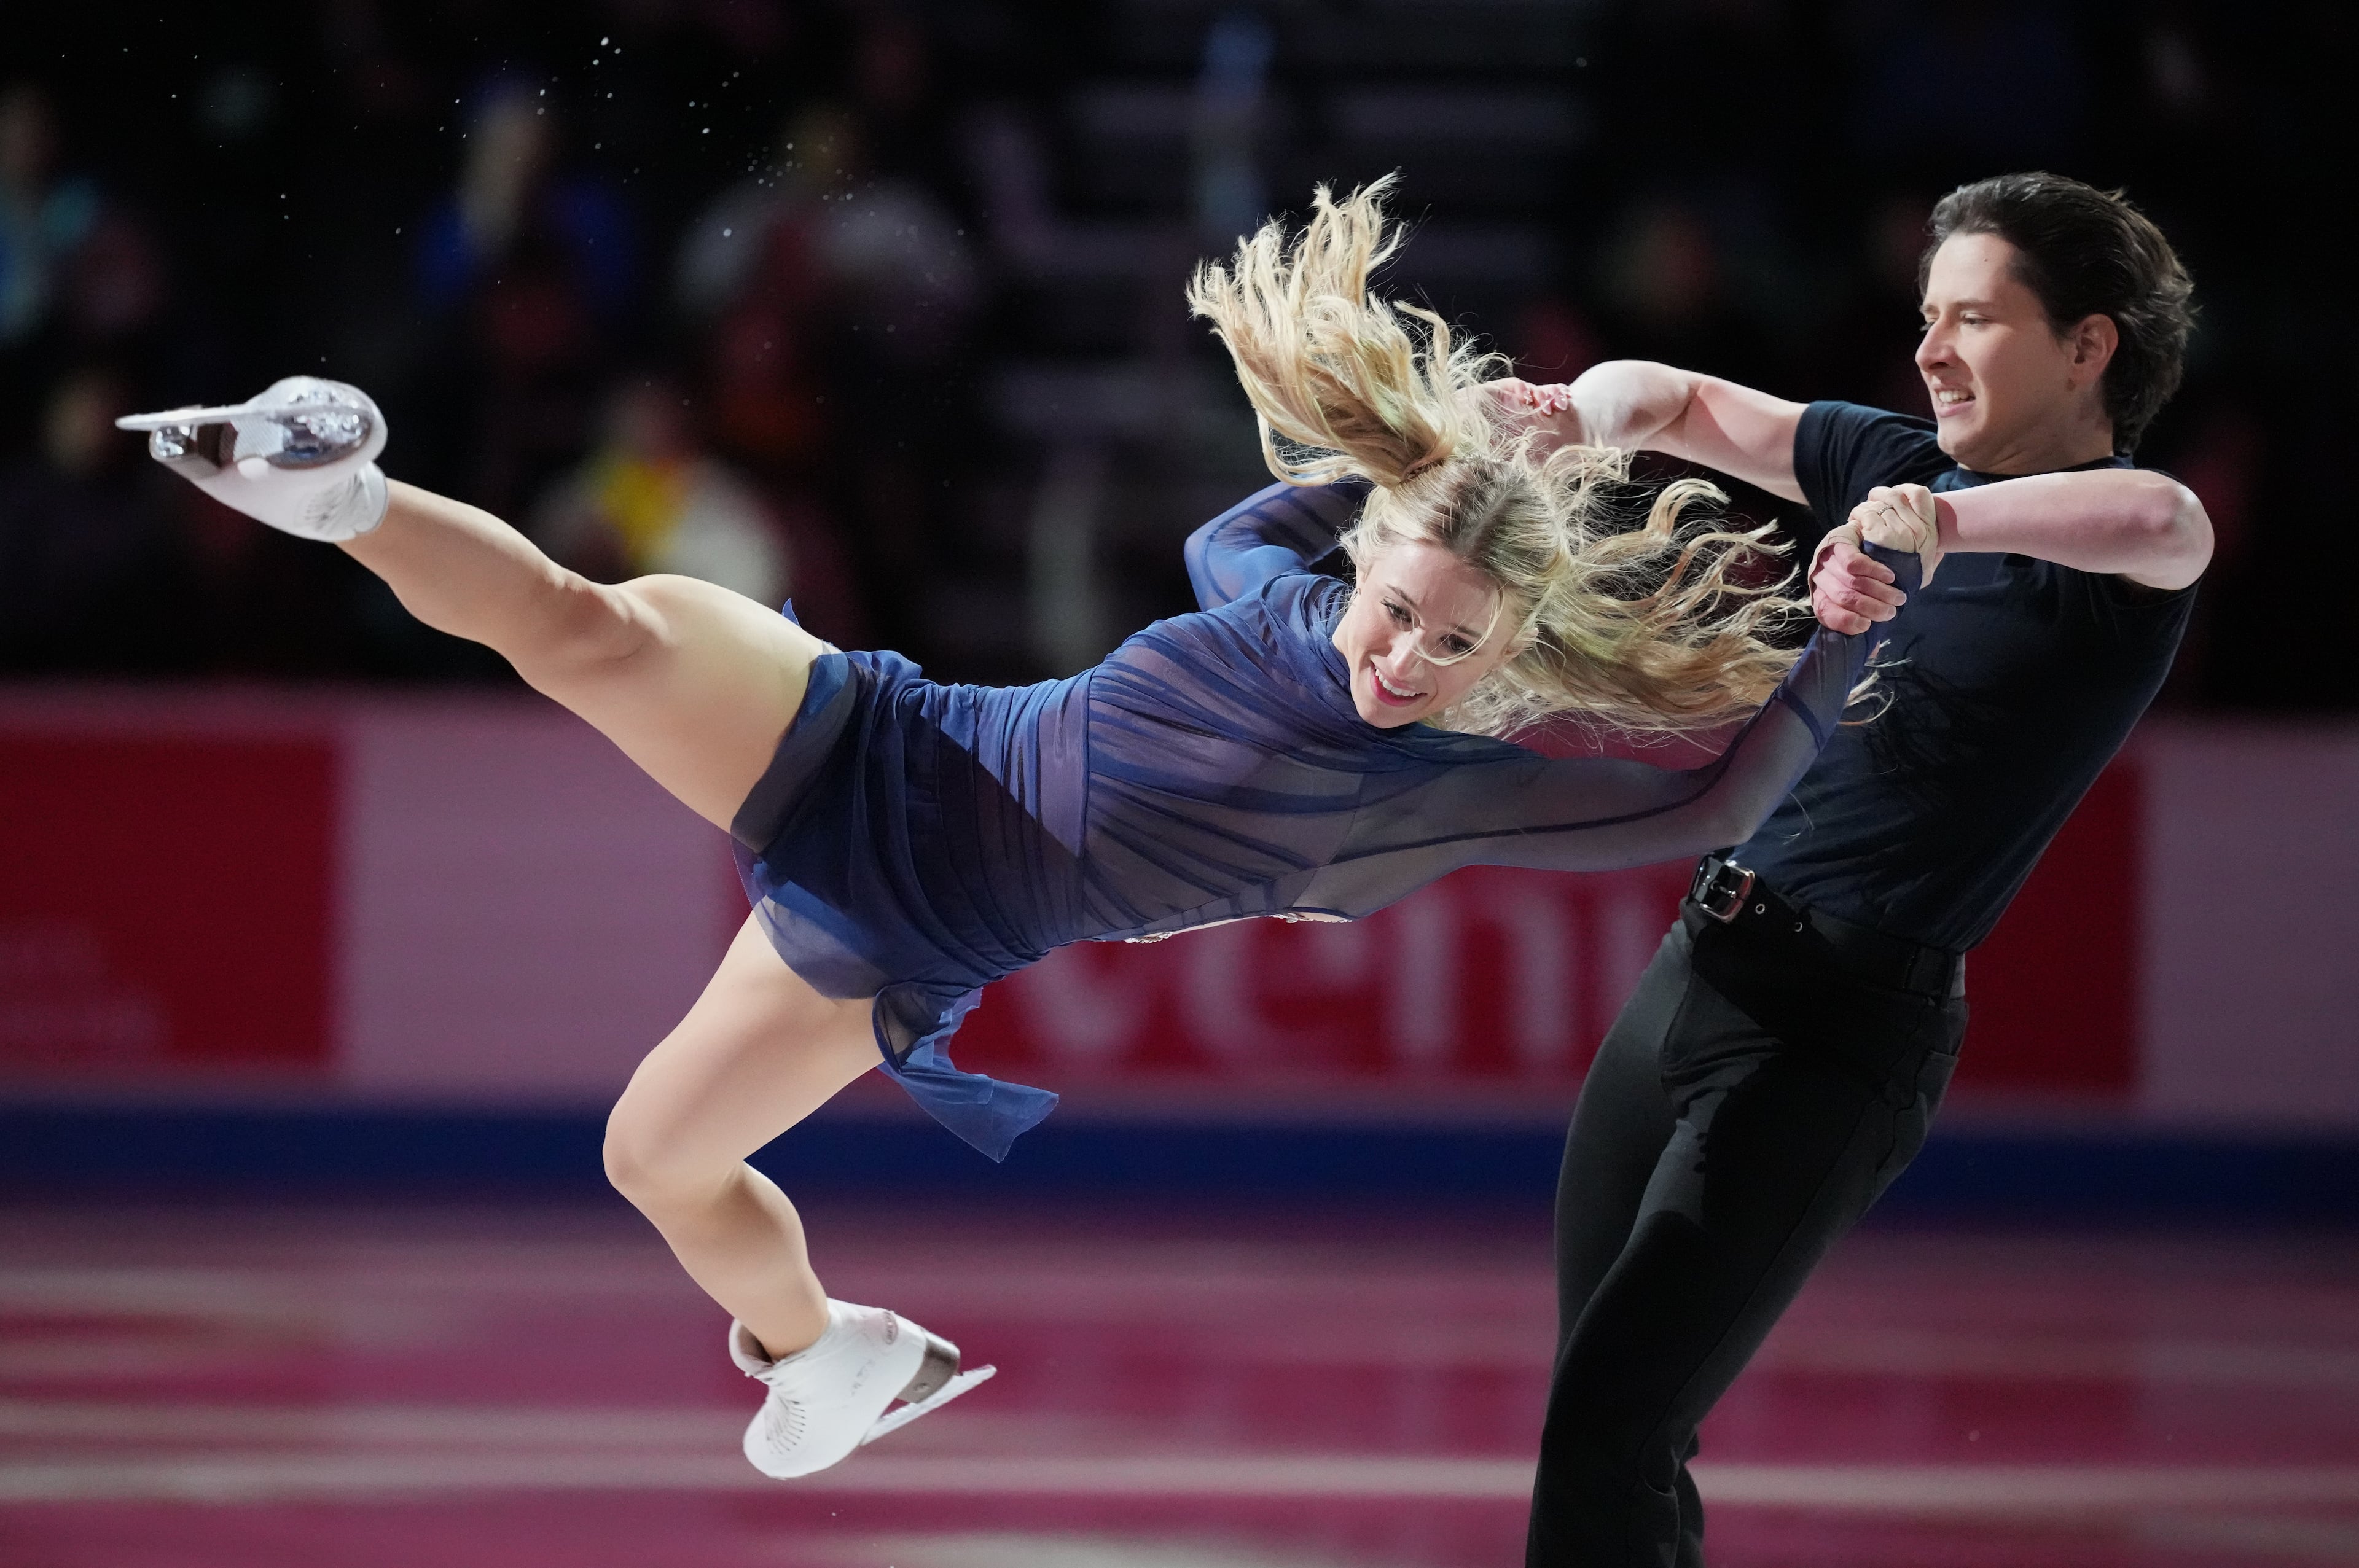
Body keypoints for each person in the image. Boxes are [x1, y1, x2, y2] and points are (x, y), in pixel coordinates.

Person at [117, 183, 1955, 1489]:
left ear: (1510, 657)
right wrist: (1445, 443)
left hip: (907, 927)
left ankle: (823, 1350)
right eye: (1396, 608)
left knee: (652, 1161)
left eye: (1458, 647)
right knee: (589, 627)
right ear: (1370, 560)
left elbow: (1707, 801)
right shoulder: (1261, 572)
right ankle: (333, 483)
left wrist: (1840, 655)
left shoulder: (1435, 788)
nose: (1405, 657)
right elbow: (1295, 512)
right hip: (877, 731)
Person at [1504, 171, 2210, 1566]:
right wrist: (1570, 416)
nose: (1931, 350)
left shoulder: (2110, 559)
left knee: (1609, 1428)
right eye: (1926, 317)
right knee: (1614, 1415)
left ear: (2089, 346)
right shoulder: (1893, 464)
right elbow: (1677, 398)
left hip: (1835, 1039)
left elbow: (2160, 519)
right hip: (1691, 974)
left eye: (1975, 319)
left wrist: (1941, 525)